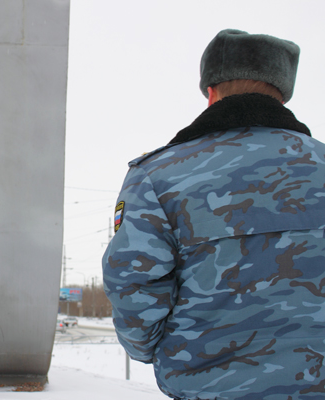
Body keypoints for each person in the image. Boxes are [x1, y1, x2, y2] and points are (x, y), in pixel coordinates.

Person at [102, 29, 325, 399]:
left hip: (209, 386)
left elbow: (133, 283)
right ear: (283, 93)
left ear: (210, 92)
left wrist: (156, 351)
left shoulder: (159, 176)